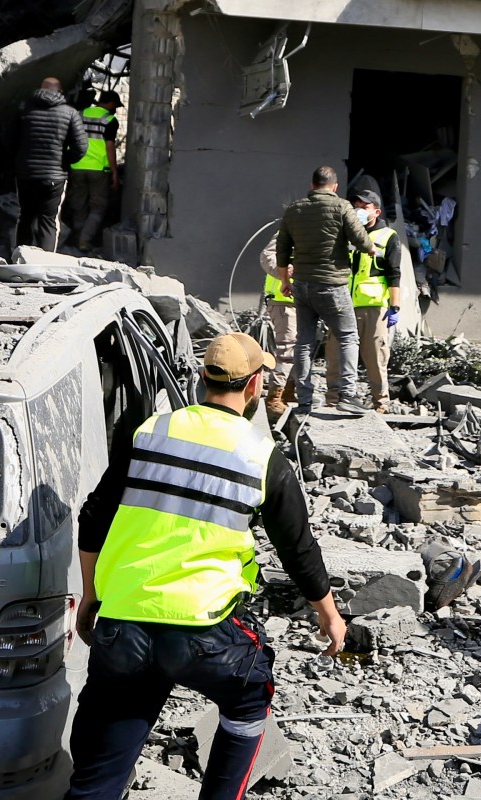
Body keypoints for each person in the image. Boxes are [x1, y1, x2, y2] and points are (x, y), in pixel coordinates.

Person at [66, 333, 346, 800]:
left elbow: (93, 518)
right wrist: (330, 615)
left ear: (202, 379)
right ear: (254, 386)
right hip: (204, 631)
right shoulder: (261, 456)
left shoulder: (149, 432)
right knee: (251, 695)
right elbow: (297, 548)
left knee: (101, 764)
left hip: (125, 623)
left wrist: (92, 597)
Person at [274, 166, 376, 416]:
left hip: (302, 285)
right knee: (348, 337)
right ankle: (347, 395)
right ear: (335, 186)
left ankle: (304, 400)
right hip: (332, 286)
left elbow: (282, 249)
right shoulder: (342, 207)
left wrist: (285, 280)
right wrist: (371, 248)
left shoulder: (294, 209)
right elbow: (361, 241)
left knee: (304, 342)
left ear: (312, 184)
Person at [348, 188, 412, 413]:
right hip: (345, 305)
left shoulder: (388, 237)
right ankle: (334, 399)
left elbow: (394, 273)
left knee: (375, 357)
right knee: (337, 355)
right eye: (356, 206)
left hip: (374, 307)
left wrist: (395, 306)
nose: (359, 210)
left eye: (364, 207)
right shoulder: (348, 235)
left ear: (376, 211)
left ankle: (380, 403)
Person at [14, 76, 88, 252]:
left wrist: (22, 160)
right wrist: (64, 161)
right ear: (60, 91)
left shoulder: (24, 110)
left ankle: (19, 259)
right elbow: (81, 147)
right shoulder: (70, 113)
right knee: (48, 220)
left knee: (25, 216)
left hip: (26, 174)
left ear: (40, 89)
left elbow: (9, 140)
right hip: (54, 177)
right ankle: (44, 262)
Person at [64, 90, 121, 251]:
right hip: (98, 170)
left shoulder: (79, 114)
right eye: (115, 106)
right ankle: (85, 239)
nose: (115, 110)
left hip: (76, 166)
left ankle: (77, 235)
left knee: (78, 203)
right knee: (98, 206)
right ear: (110, 104)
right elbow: (110, 147)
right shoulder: (109, 120)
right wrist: (115, 172)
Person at [257, 230, 297, 420]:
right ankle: (274, 397)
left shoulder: (316, 231)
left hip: (302, 300)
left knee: (300, 349)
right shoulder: (288, 232)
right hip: (283, 301)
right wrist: (284, 274)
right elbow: (267, 256)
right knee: (287, 348)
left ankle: (289, 392)